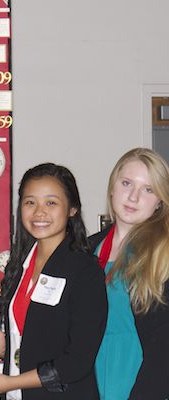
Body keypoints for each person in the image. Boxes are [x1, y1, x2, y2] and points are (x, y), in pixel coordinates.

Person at [0, 163, 107, 399]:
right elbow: (42, 338)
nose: (39, 212)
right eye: (30, 202)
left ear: (72, 209)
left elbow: (76, 362)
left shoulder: (85, 271)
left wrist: (9, 383)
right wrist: (7, 347)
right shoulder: (20, 264)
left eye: (51, 203)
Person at [88, 148, 169, 400]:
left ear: (160, 202)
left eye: (148, 189)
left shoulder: (163, 255)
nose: (133, 197)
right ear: (112, 187)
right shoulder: (86, 249)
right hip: (91, 383)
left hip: (143, 385)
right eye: (126, 183)